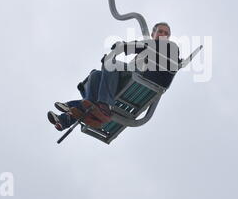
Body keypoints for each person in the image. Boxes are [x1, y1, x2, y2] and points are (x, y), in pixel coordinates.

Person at [47, 22, 181, 131]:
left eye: (166, 33)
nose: (163, 35)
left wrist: (123, 47)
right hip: (128, 80)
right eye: (160, 32)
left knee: (110, 62)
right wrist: (122, 47)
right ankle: (67, 119)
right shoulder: (148, 48)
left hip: (144, 78)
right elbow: (141, 47)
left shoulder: (169, 47)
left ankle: (100, 106)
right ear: (153, 34)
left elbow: (142, 46)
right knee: (95, 75)